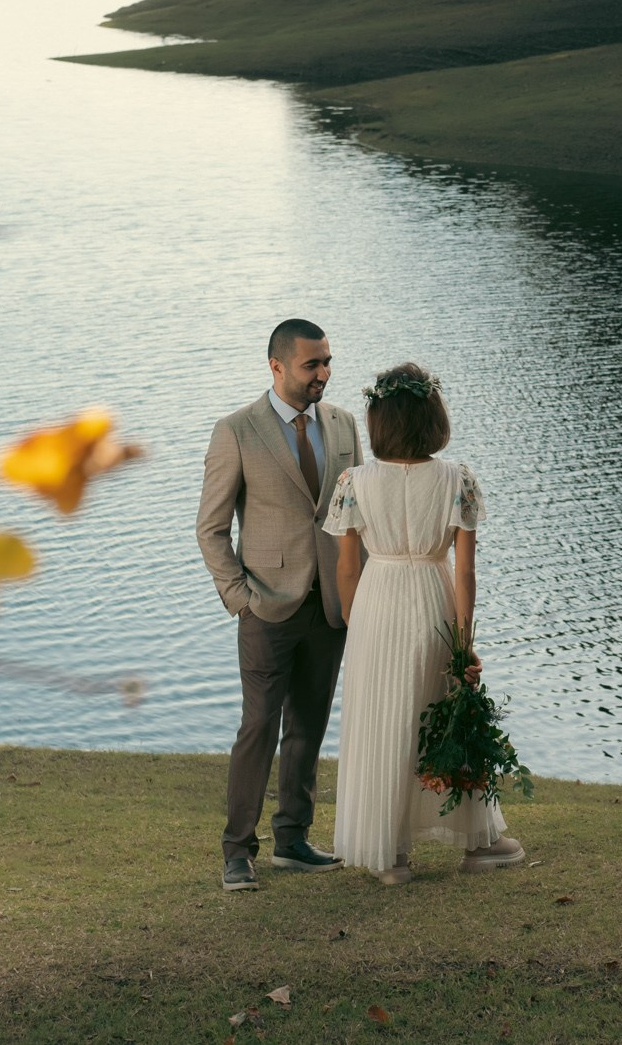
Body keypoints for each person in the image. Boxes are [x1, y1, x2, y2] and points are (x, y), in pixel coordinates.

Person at [323, 362, 525, 884]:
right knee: (447, 716)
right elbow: (466, 572)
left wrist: (355, 620)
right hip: (432, 597)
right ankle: (479, 843)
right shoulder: (457, 478)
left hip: (377, 601)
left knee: (383, 720)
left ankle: (391, 857)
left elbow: (347, 566)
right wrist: (463, 644)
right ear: (434, 416)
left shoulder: (354, 481)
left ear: (378, 422)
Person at [196, 319, 364, 892]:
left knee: (309, 726)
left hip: (331, 606)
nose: (324, 373)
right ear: (276, 367)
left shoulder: (343, 425)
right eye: (311, 364)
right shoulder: (237, 431)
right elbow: (211, 529)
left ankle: (292, 838)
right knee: (259, 727)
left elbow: (354, 517)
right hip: (265, 607)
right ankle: (237, 851)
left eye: (327, 362)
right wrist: (239, 596)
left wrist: (357, 591)